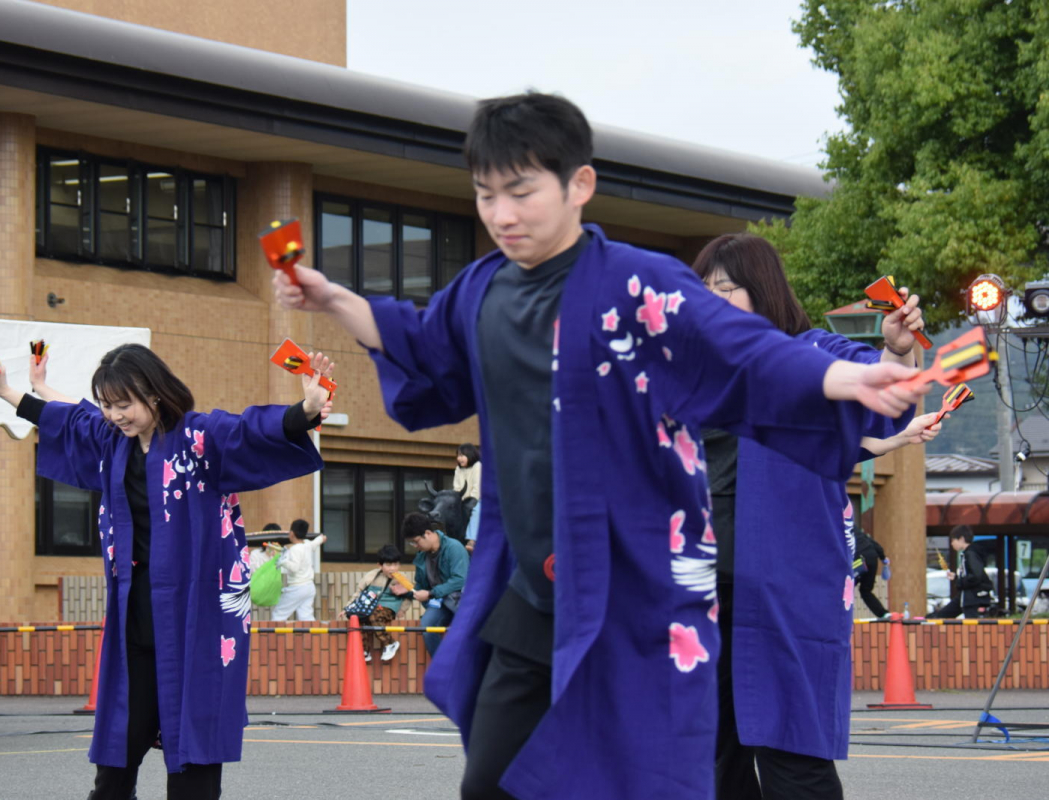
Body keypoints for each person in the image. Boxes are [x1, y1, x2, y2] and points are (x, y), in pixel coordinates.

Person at [273, 91, 924, 799]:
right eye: (486, 194)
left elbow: (750, 354)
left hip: (639, 587)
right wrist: (333, 298)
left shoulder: (634, 282)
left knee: (668, 775)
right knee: (493, 779)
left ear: (579, 184)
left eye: (521, 191)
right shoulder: (483, 289)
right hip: (538, 583)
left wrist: (849, 375)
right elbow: (419, 340)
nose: (501, 214)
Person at [0, 341, 332, 800]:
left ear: (154, 394)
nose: (114, 415)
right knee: (115, 759)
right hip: (135, 619)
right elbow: (70, 419)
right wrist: (11, 391)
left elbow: (251, 431)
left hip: (196, 619)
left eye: (123, 404)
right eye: (108, 405)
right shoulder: (111, 439)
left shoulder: (200, 437)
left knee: (194, 753)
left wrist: (306, 408)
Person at [693, 232, 937, 800]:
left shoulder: (812, 354)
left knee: (791, 757)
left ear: (764, 291)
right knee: (704, 760)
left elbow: (881, 392)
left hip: (784, 592)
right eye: (703, 290)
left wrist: (897, 351)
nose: (711, 301)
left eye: (726, 289)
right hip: (696, 594)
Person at [390, 512, 468, 658]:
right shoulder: (421, 556)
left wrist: (431, 593)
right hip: (439, 603)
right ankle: (443, 667)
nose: (415, 546)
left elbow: (460, 580)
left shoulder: (454, 547)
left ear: (428, 533)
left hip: (461, 601)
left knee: (467, 632)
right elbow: (422, 586)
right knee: (427, 626)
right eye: (411, 543)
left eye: (416, 541)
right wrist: (407, 590)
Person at [342, 543, 412, 662]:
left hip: (389, 607)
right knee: (357, 617)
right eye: (389, 564)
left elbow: (409, 596)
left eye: (396, 564)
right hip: (371, 606)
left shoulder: (402, 578)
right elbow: (359, 593)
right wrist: (347, 608)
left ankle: (389, 643)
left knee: (374, 614)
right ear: (380, 565)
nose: (393, 568)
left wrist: (402, 610)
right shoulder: (371, 576)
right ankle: (365, 650)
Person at [929, 526, 994, 619]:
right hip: (967, 597)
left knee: (971, 625)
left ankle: (930, 620)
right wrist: (956, 578)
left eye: (953, 540)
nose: (951, 544)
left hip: (972, 598)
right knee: (942, 615)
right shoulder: (969, 553)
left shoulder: (970, 554)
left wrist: (959, 581)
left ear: (961, 539)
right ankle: (931, 619)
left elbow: (976, 576)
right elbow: (973, 574)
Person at [272, 519, 327, 622]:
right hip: (309, 587)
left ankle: (272, 637)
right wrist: (322, 538)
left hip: (297, 587)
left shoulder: (295, 549)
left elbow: (294, 568)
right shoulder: (307, 544)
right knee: (306, 617)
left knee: (278, 614)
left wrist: (282, 561)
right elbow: (316, 542)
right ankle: (314, 637)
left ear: (292, 533)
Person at [454, 444, 482, 553]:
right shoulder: (458, 469)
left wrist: (470, 502)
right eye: (458, 455)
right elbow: (456, 488)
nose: (459, 458)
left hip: (478, 499)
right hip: (462, 500)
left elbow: (477, 489)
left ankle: (472, 540)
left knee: (476, 511)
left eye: (462, 455)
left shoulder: (478, 466)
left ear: (470, 455)